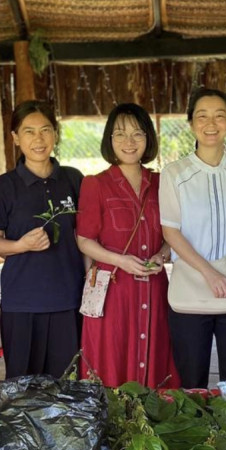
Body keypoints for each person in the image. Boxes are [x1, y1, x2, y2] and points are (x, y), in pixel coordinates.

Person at [159, 87, 226, 389]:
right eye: (202, 116)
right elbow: (171, 231)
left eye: (220, 116)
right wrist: (209, 272)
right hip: (191, 282)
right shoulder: (175, 173)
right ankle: (196, 437)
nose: (211, 124)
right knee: (192, 383)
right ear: (191, 123)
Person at [76, 103, 179, 388]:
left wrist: (162, 255)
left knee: (156, 356)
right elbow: (84, 240)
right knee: (111, 360)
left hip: (154, 286)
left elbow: (173, 234)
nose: (129, 142)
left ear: (149, 138)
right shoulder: (95, 184)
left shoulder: (162, 183)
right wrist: (121, 260)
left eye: (137, 133)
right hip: (113, 290)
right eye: (120, 134)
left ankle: (152, 426)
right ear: (109, 139)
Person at [0, 100, 83, 379]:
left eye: (45, 130)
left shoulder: (73, 179)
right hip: (22, 301)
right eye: (28, 131)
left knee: (67, 383)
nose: (38, 139)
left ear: (55, 133)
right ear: (15, 137)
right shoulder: (6, 185)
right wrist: (20, 246)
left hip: (68, 297)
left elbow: (85, 236)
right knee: (22, 384)